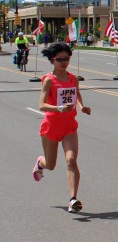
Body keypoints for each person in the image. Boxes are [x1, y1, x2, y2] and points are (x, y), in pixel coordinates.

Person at [32, 43, 92, 213]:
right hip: (51, 126)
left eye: (66, 58)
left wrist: (81, 106)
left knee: (71, 161)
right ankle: (40, 163)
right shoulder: (49, 80)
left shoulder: (73, 78)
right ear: (53, 60)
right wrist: (58, 108)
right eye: (60, 59)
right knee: (51, 165)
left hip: (69, 127)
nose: (64, 62)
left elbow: (76, 93)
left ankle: (73, 199)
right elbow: (42, 104)